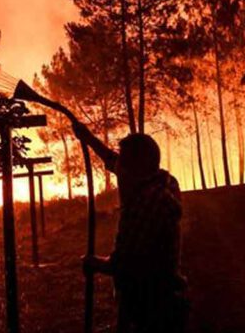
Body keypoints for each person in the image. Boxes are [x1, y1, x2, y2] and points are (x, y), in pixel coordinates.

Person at [72, 121, 187, 332]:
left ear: (136, 169)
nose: (117, 170)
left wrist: (94, 263)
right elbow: (111, 159)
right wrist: (87, 138)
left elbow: (124, 263)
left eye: (122, 165)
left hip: (152, 303)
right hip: (156, 297)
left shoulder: (148, 204)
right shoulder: (160, 182)